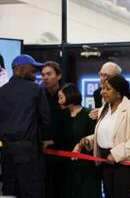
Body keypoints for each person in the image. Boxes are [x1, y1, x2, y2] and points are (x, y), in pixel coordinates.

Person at [72, 74, 130, 198]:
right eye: (102, 88)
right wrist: (88, 140)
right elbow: (104, 134)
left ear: (118, 92)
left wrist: (115, 155)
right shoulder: (103, 109)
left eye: (107, 89)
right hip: (106, 161)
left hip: (125, 163)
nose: (102, 92)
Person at [0, 54, 51, 198]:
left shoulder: (1, 92)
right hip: (28, 151)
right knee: (32, 192)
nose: (35, 73)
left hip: (5, 152)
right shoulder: (35, 89)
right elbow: (46, 120)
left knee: (9, 192)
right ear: (21, 69)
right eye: (32, 69)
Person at [57, 83, 101, 198]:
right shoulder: (63, 116)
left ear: (70, 96)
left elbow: (94, 138)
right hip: (68, 168)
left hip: (87, 168)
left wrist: (82, 144)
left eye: (61, 97)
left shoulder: (89, 114)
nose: (59, 101)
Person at [41, 61, 65, 198]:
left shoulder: (67, 95)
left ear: (59, 76)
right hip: (41, 154)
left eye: (49, 74)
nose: (45, 77)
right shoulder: (38, 95)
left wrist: (53, 140)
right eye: (43, 74)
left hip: (63, 153)